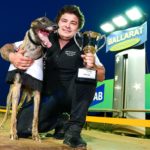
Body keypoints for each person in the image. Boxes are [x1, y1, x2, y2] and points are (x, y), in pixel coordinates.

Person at [0, 5, 105, 149]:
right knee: (22, 129)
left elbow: (101, 76)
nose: (67, 26)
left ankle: (73, 131)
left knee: (89, 75)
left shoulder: (84, 44)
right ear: (57, 23)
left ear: (78, 28)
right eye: (64, 21)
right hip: (49, 95)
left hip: (72, 94)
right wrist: (12, 56)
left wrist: (92, 65)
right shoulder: (44, 37)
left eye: (73, 23)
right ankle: (60, 122)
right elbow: (6, 47)